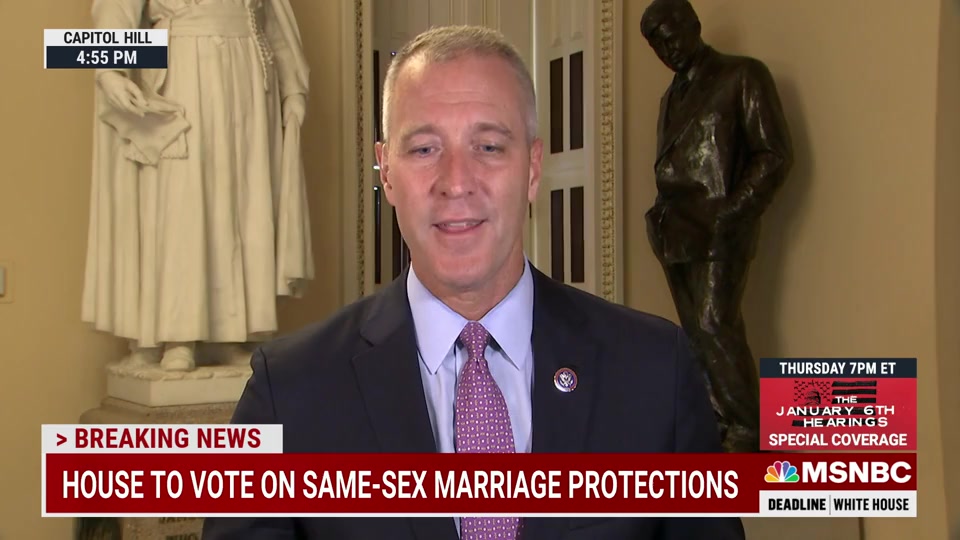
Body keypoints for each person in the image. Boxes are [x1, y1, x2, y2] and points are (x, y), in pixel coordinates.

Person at [202, 24, 744, 540]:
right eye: (424, 149)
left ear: (532, 168)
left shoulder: (655, 371)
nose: (456, 182)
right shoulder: (287, 392)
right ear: (386, 171)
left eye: (488, 147)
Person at [83, 0, 313, 371]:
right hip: (181, 68)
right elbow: (116, 7)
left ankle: (231, 333)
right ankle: (177, 335)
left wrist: (293, 87)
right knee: (182, 203)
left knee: (243, 204)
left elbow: (272, 19)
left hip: (249, 79)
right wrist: (109, 71)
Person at [640, 0, 793, 452]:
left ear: (693, 25)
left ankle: (749, 429)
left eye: (670, 36)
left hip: (720, 230)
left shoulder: (741, 76)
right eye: (656, 45)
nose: (667, 49)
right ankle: (718, 426)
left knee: (714, 326)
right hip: (675, 233)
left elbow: (774, 155)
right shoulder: (669, 98)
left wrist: (731, 214)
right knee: (694, 335)